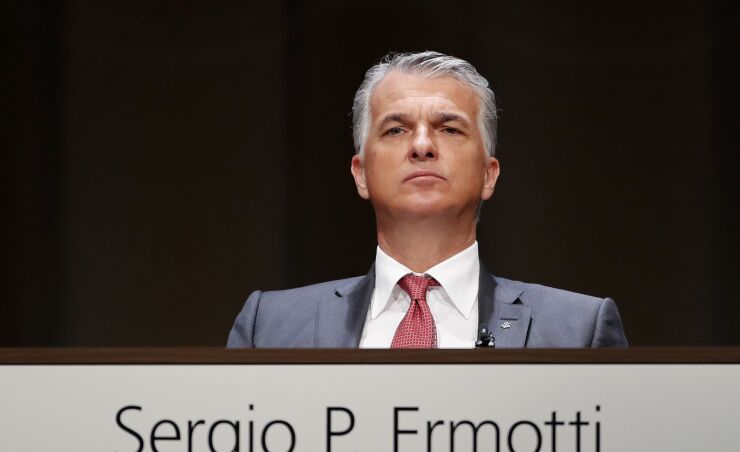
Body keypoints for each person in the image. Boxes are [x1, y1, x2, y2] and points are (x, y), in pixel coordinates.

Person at [227, 51, 627, 349]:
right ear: (360, 173)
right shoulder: (269, 327)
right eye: (396, 130)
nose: (422, 146)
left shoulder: (577, 330)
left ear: (489, 175)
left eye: (449, 129)